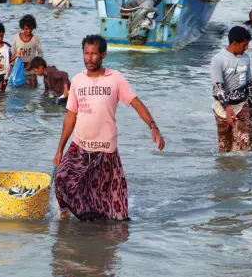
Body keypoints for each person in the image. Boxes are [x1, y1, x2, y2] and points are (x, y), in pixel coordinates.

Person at [53, 34, 165, 221]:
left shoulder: (115, 78)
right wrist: (59, 149)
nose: (89, 58)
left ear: (103, 55)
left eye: (94, 54)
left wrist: (153, 127)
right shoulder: (78, 81)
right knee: (60, 179)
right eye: (86, 53)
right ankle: (65, 216)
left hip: (105, 152)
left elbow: (136, 103)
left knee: (112, 211)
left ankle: (100, 238)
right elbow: (70, 117)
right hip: (79, 146)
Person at [211, 26, 252, 152]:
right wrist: (227, 109)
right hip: (223, 108)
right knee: (225, 146)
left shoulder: (246, 58)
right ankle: (226, 170)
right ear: (234, 43)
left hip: (242, 105)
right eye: (244, 45)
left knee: (244, 143)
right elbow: (218, 88)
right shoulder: (218, 59)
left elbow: (249, 83)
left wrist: (251, 106)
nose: (246, 48)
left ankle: (242, 171)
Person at [11, 14, 44, 88]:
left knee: (33, 88)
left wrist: (34, 64)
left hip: (32, 70)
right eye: (26, 29)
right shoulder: (16, 38)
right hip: (19, 69)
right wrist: (11, 68)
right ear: (22, 28)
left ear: (33, 27)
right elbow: (12, 53)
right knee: (18, 89)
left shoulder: (35, 39)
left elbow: (41, 53)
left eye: (30, 28)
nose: (28, 31)